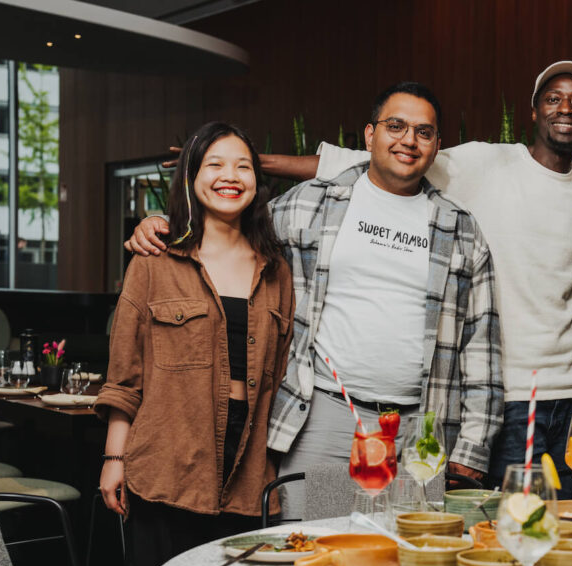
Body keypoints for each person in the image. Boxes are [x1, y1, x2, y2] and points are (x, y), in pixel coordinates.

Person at [124, 83, 503, 517]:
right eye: (395, 126)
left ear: (437, 146)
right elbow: (229, 229)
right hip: (327, 420)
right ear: (369, 135)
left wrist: (472, 448)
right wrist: (165, 224)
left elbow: (482, 345)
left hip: (422, 428)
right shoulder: (312, 204)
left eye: (423, 132)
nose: (408, 140)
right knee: (317, 550)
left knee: (409, 557)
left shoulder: (461, 229)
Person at [95, 121, 295, 566]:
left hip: (247, 472)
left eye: (243, 166)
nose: (231, 176)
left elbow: (280, 373)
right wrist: (114, 459)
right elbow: (126, 373)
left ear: (257, 183)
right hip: (166, 466)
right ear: (191, 175)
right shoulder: (154, 260)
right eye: (215, 164)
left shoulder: (276, 269)